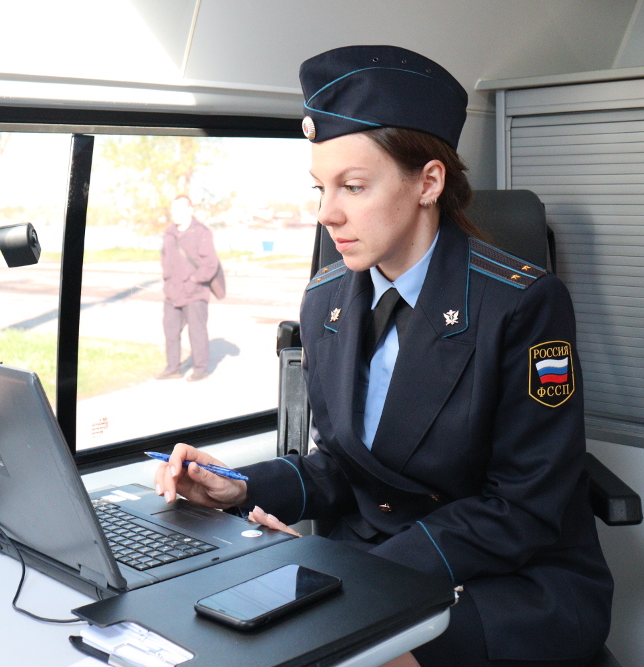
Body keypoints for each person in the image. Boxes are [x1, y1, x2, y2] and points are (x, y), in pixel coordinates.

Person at [154, 46, 613, 666]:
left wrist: (351, 575)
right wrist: (236, 489)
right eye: (321, 187)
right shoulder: (327, 300)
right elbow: (342, 466)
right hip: (370, 564)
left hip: (509, 578)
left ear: (428, 182)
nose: (327, 214)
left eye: (354, 186)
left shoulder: (524, 305)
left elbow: (522, 509)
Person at [158, 195, 219, 382]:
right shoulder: (169, 232)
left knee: (197, 332)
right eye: (173, 210)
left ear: (190, 210)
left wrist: (194, 280)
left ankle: (200, 369)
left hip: (195, 293)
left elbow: (211, 264)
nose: (175, 214)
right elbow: (164, 257)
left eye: (180, 209)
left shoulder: (201, 232)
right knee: (170, 331)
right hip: (172, 293)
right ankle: (173, 368)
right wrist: (168, 279)